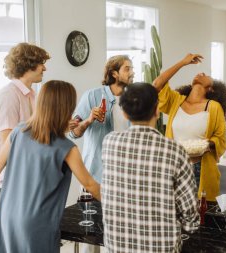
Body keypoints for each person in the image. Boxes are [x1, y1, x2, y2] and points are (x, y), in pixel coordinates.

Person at [0, 80, 101, 253]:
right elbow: (90, 185)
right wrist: (119, 204)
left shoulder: (18, 132)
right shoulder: (67, 148)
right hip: (37, 224)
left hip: (8, 215)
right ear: (66, 108)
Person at [102, 83, 199, 253]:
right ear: (157, 110)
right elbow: (190, 216)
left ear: (124, 113)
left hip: (117, 246)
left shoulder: (110, 142)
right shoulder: (174, 150)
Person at [70, 55, 134, 253]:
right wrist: (89, 120)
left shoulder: (133, 99)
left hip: (124, 177)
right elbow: (74, 132)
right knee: (91, 234)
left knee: (117, 234)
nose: (132, 73)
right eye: (127, 69)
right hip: (94, 175)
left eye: (131, 69)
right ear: (114, 73)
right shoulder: (92, 96)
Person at [153, 53, 226, 201]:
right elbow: (157, 84)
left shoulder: (214, 107)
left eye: (207, 75)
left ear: (211, 88)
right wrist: (182, 62)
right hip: (174, 167)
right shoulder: (175, 101)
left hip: (200, 169)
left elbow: (221, 140)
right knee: (173, 211)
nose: (201, 73)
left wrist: (203, 145)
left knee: (200, 214)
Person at [0, 42, 50, 190]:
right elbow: (9, 144)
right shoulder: (8, 96)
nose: (44, 68)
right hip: (12, 182)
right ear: (28, 64)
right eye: (40, 63)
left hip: (28, 177)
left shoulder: (32, 96)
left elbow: (33, 133)